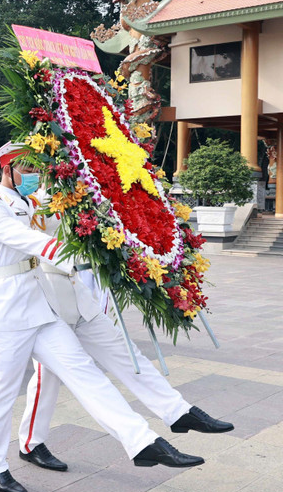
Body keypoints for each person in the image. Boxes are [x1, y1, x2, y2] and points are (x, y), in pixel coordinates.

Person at [0, 142, 202, 492]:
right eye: (29, 170)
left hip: (40, 308)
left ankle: (142, 442)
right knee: (1, 391)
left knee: (85, 373)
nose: (35, 177)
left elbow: (69, 214)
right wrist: (89, 259)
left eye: (37, 170)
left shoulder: (31, 202)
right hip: (5, 312)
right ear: (9, 170)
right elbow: (34, 242)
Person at [16, 187, 233, 471]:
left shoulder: (87, 190)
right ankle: (31, 442)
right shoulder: (34, 201)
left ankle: (179, 412)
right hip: (49, 297)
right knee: (51, 378)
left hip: (79, 295)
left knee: (126, 354)